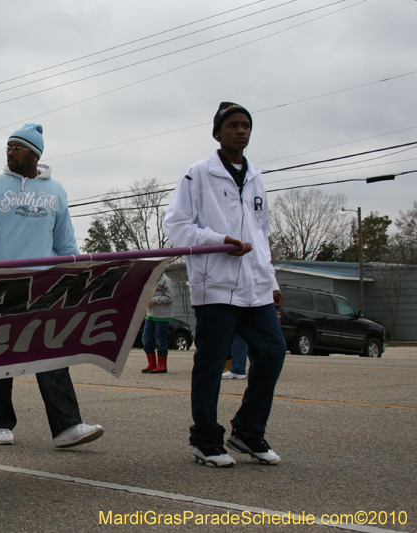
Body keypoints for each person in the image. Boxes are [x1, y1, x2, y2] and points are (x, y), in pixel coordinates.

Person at [0, 123, 104, 448]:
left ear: (35, 153)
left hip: (44, 285)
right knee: (2, 354)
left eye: (17, 148)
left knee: (51, 352)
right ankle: (1, 422)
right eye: (8, 147)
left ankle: (67, 426)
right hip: (2, 284)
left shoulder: (55, 190)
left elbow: (65, 240)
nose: (10, 153)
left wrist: (80, 273)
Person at [164, 102, 287, 468]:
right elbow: (178, 226)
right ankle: (205, 440)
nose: (240, 131)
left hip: (256, 288)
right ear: (217, 133)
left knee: (273, 352)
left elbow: (260, 234)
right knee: (211, 362)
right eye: (232, 125)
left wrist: (272, 279)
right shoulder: (198, 174)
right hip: (216, 287)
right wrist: (219, 241)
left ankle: (248, 431)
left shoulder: (256, 177)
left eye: (246, 125)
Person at [141, 272, 176, 374]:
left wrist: (154, 300)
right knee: (146, 338)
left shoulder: (166, 280)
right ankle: (151, 363)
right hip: (150, 314)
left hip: (162, 315)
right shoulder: (149, 280)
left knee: (160, 339)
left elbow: (171, 297)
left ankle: (162, 365)